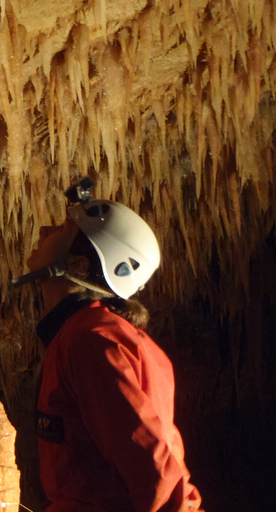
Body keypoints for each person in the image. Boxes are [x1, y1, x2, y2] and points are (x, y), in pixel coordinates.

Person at [17, 179, 202, 512]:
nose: (44, 230)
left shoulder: (91, 342)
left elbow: (153, 466)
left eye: (62, 229)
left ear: (79, 265)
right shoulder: (91, 334)